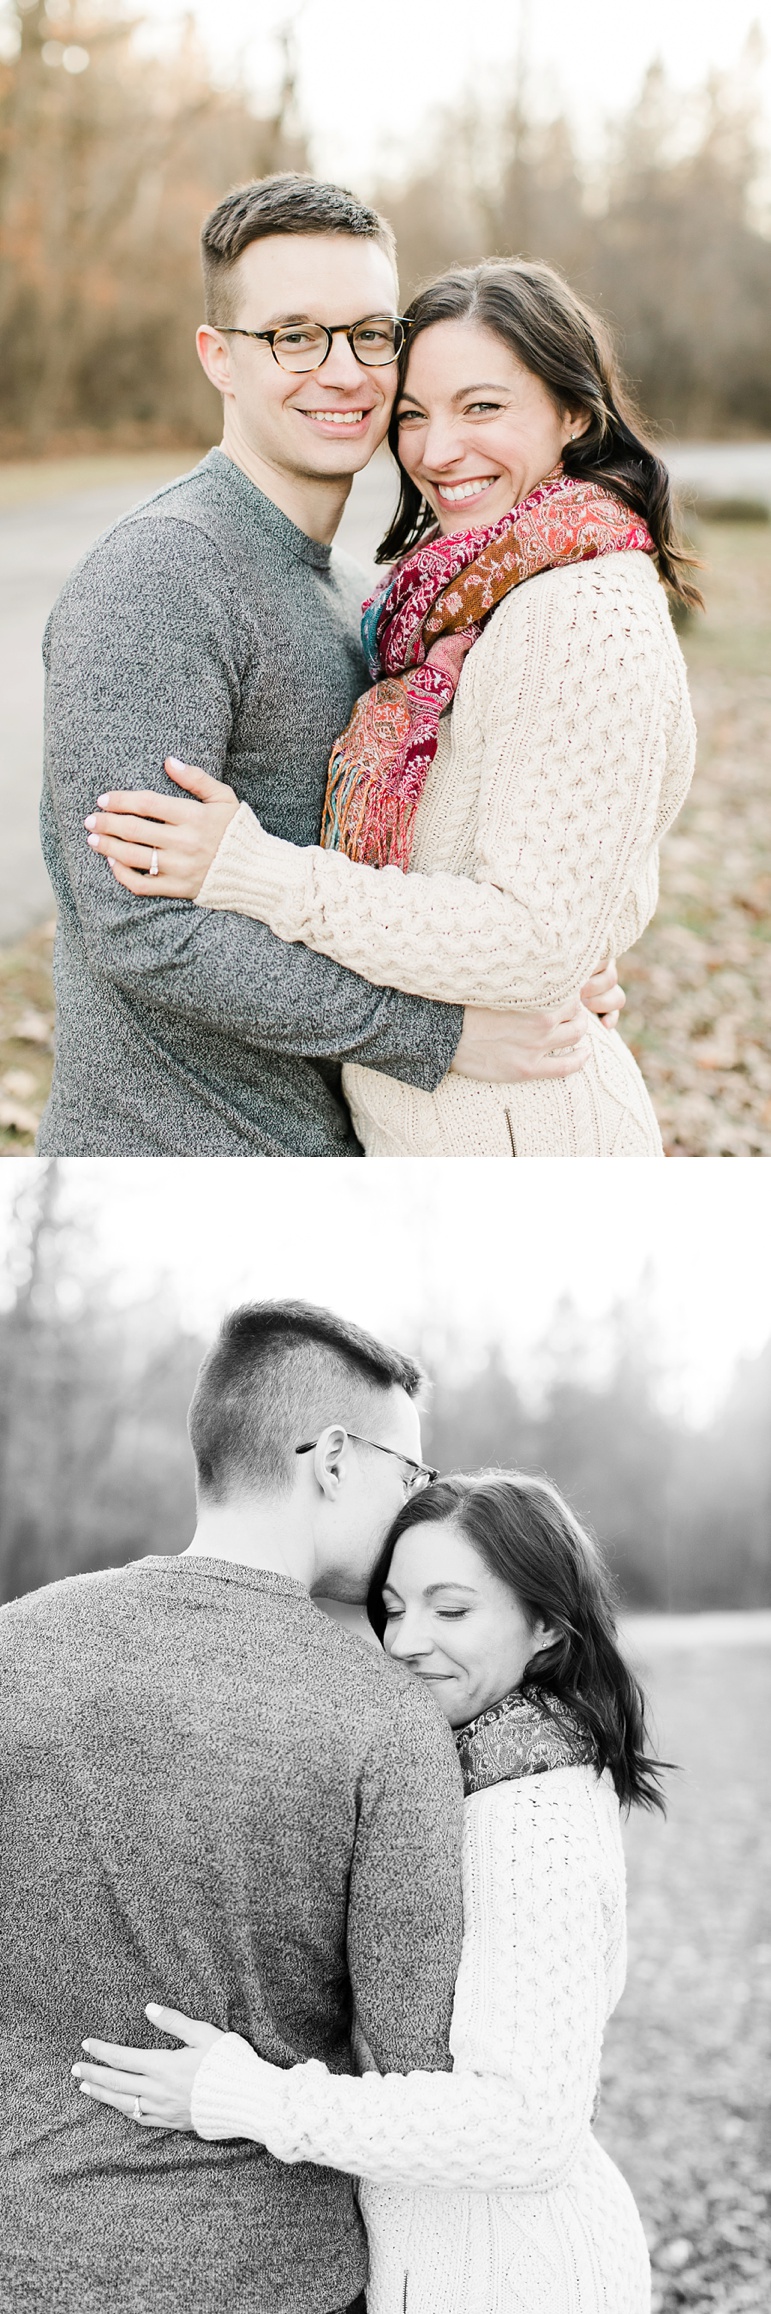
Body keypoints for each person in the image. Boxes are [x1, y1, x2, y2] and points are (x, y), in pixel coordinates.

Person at [38, 175, 617, 1158]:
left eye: (369, 333)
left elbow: (396, 867)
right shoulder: (159, 577)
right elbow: (139, 931)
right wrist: (443, 1034)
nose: (343, 372)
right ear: (220, 357)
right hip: (169, 1180)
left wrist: (535, 970)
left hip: (330, 1183)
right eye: (294, 336)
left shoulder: (361, 593)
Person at [77, 1471, 663, 2313]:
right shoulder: (457, 1780)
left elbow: (529, 2127)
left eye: (451, 1610)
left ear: (544, 1626)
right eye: (392, 1607)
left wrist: (246, 2097)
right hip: (441, 2269)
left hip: (523, 2279)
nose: (405, 1642)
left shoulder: (535, 1818)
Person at [0, 1301, 466, 2314]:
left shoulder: (10, 1650)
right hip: (269, 2278)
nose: (417, 1509)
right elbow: (415, 2069)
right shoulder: (384, 1714)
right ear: (334, 1460)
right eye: (411, 1476)